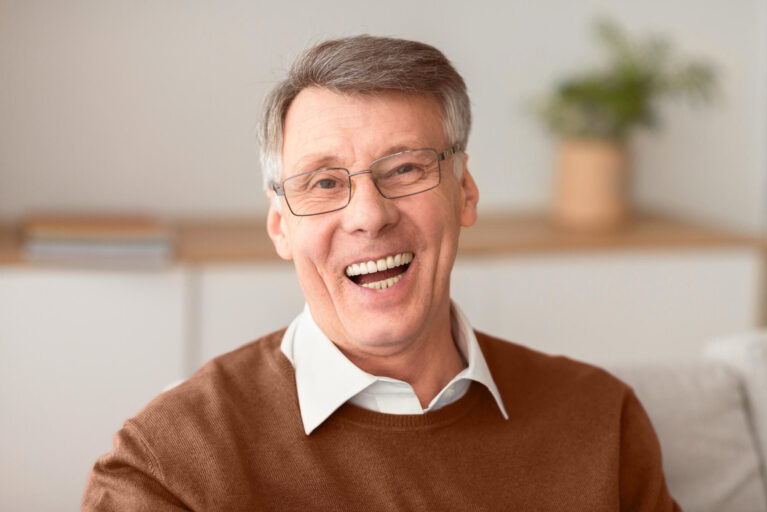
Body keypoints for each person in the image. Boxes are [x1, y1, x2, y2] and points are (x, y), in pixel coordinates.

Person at [83, 35, 679, 511]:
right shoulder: (167, 466)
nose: (368, 216)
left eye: (405, 168)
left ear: (464, 192)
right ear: (280, 226)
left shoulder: (601, 418)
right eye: (323, 182)